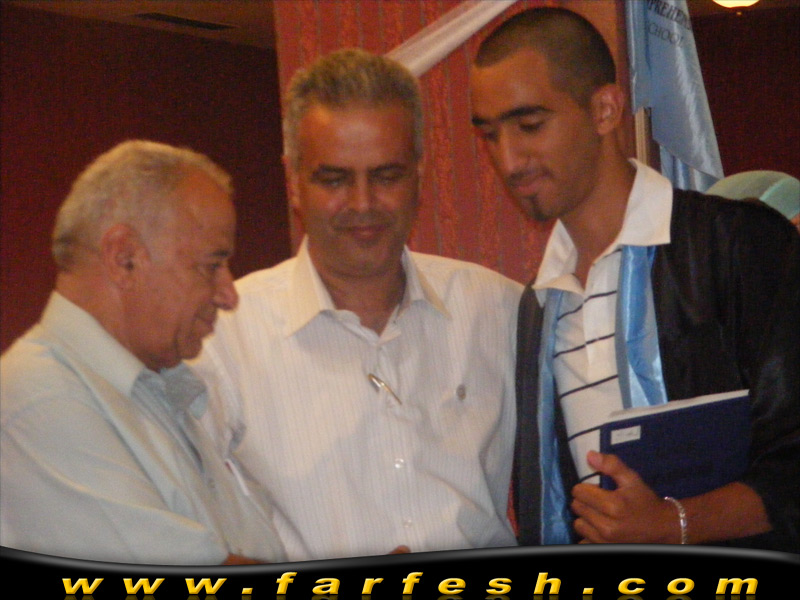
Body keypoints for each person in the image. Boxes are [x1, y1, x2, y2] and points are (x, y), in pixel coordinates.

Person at [469, 7, 799, 550]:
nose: (508, 160)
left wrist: (673, 523)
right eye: (489, 134)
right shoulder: (537, 310)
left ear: (605, 110)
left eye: (529, 125)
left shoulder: (736, 243)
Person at [191, 48, 521, 561]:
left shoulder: (499, 310)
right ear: (294, 181)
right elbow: (173, 531)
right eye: (335, 179)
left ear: (419, 175)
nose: (363, 204)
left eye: (386, 176)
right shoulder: (222, 335)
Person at [0, 140, 285, 564]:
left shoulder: (154, 391)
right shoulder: (38, 400)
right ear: (125, 258)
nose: (229, 295)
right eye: (211, 266)